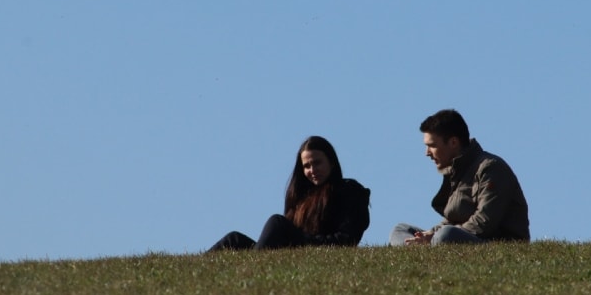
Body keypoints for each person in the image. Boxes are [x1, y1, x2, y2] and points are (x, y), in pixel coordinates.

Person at [390, 109, 529, 246]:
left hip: (494, 243)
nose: (427, 153)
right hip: (457, 236)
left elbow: (485, 222)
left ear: (453, 142)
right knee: (401, 230)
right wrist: (428, 234)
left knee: (445, 236)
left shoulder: (491, 168)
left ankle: (423, 248)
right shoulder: (457, 172)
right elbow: (452, 219)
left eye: (432, 146)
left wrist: (433, 238)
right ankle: (418, 248)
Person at [208, 136, 370, 251]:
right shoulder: (302, 196)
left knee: (277, 223)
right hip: (294, 247)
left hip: (316, 248)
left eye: (317, 163)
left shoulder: (349, 190)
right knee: (234, 240)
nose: (312, 170)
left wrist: (302, 240)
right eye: (307, 166)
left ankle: (253, 268)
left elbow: (347, 239)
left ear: (332, 162)